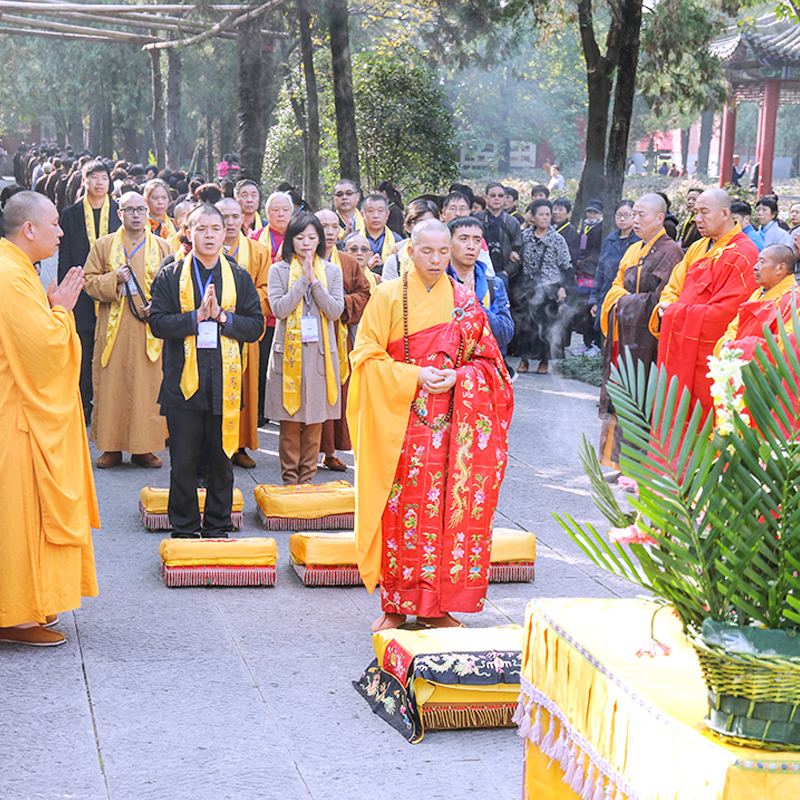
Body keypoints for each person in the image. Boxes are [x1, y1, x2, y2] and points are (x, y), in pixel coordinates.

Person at [347, 219, 514, 632]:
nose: (436, 260)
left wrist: (460, 377)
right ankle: (396, 604)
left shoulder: (465, 301)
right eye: (428, 251)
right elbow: (364, 356)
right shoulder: (387, 296)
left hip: (451, 431)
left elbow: (491, 365)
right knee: (400, 513)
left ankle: (436, 608)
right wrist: (413, 377)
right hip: (402, 425)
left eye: (443, 252)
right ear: (410, 251)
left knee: (444, 518)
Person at [0, 191, 99, 646]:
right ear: (30, 230)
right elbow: (42, 353)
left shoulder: (18, 271)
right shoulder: (9, 275)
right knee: (18, 516)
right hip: (17, 419)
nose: (62, 231)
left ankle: (27, 606)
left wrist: (52, 306)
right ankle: (15, 616)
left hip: (20, 412)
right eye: (56, 223)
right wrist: (61, 311)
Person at [148, 204, 264, 538]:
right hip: (182, 385)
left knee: (221, 462)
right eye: (202, 228)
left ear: (226, 231)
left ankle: (217, 526)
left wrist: (225, 318)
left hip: (224, 384)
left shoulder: (238, 275)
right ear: (188, 231)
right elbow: (156, 323)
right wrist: (195, 318)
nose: (210, 235)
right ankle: (183, 529)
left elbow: (256, 326)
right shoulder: (171, 274)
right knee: (183, 463)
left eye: (216, 228)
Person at [650, 188, 759, 419]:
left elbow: (731, 311)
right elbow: (675, 283)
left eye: (704, 212)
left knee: (702, 414)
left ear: (725, 214)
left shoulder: (744, 254)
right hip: (681, 339)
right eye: (696, 212)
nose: (697, 218)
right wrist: (666, 304)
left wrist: (676, 312)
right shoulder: (699, 246)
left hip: (710, 352)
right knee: (674, 408)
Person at [83, 191, 172, 469]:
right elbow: (88, 281)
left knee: (148, 388)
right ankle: (111, 447)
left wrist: (157, 305)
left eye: (140, 209)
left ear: (147, 213)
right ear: (119, 214)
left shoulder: (163, 246)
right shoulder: (103, 244)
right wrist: (114, 279)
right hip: (115, 328)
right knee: (113, 385)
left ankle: (144, 448)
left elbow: (174, 286)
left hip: (149, 329)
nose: (135, 214)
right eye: (129, 210)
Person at [598, 194, 683, 467]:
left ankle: (635, 466)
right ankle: (615, 461)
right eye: (633, 214)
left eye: (641, 215)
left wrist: (620, 301)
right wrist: (617, 298)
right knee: (621, 394)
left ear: (660, 218)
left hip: (647, 340)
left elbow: (659, 300)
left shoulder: (670, 253)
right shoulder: (636, 249)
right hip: (623, 335)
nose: (635, 220)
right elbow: (616, 284)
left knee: (639, 398)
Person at [265, 212, 345, 485]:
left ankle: (307, 480)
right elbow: (279, 309)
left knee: (314, 422)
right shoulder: (279, 270)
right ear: (291, 241)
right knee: (289, 423)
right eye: (300, 237)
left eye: (312, 237)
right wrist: (301, 280)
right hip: (288, 355)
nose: (306, 243)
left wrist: (316, 282)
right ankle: (289, 480)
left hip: (320, 357)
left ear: (320, 240)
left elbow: (335, 311)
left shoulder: (332, 270)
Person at [58, 159, 121, 423]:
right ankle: (83, 402)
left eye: (103, 178)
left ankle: (109, 404)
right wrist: (65, 292)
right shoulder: (71, 214)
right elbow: (65, 257)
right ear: (84, 181)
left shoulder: (119, 212)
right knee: (83, 348)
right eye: (93, 178)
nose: (99, 183)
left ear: (109, 182)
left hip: (113, 291)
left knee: (111, 349)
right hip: (82, 292)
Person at [216, 197, 271, 469]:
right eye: (223, 217)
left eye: (234, 217)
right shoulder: (205, 248)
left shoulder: (258, 251)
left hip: (244, 329)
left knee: (245, 388)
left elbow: (266, 289)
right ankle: (213, 445)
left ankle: (239, 445)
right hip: (212, 329)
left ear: (243, 220)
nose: (229, 222)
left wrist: (240, 304)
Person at [316, 210, 371, 472]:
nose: (328, 231)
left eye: (333, 226)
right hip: (305, 335)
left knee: (336, 391)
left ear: (340, 230)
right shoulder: (298, 258)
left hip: (338, 335)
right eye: (322, 225)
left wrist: (338, 303)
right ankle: (304, 450)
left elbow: (364, 293)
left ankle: (330, 450)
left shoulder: (347, 261)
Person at [514, 200, 573, 374]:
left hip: (550, 287)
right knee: (526, 325)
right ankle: (524, 360)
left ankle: (544, 361)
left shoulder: (557, 239)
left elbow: (566, 266)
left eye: (548, 214)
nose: (545, 218)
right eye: (541, 214)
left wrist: (563, 288)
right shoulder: (524, 236)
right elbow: (517, 256)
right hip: (528, 287)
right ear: (533, 216)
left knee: (546, 326)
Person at [714, 244, 798, 360]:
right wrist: (727, 343)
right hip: (738, 361)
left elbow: (787, 344)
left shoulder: (793, 301)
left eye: (762, 262)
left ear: (780, 269)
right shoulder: (758, 293)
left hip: (764, 372)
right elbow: (734, 327)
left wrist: (739, 348)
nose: (755, 267)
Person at [252, 191, 294, 424]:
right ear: (267, 214)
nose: (280, 214)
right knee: (264, 364)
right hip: (266, 312)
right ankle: (262, 410)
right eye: (275, 210)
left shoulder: (300, 236)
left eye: (285, 210)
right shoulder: (256, 237)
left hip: (293, 310)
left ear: (292, 212)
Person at [447, 216, 514, 352]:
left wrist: (474, 304)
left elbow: (505, 334)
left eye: (477, 240)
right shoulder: (438, 281)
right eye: (463, 239)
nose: (471, 246)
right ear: (449, 244)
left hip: (481, 364)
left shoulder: (494, 284)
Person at [589, 200, 640, 326]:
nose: (622, 219)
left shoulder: (640, 241)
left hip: (629, 297)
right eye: (619, 215)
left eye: (627, 215)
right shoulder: (610, 240)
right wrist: (594, 300)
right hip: (607, 294)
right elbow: (600, 271)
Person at [472, 183, 522, 284]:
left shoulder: (512, 222)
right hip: (477, 271)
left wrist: (506, 272)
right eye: (493, 195)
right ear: (486, 198)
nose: (497, 199)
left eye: (500, 196)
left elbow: (519, 251)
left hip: (502, 273)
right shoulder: (475, 219)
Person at [573, 199, 604, 354]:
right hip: (582, 274)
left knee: (592, 309)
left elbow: (597, 252)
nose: (591, 215)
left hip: (592, 274)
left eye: (595, 212)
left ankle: (596, 344)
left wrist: (583, 262)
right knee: (583, 311)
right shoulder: (586, 226)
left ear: (601, 214)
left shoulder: (601, 228)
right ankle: (586, 342)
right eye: (589, 212)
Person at [382, 198, 440, 280]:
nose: (427, 229)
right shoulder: (394, 262)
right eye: (420, 223)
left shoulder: (446, 258)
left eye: (431, 223)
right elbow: (388, 291)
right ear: (407, 227)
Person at [362, 193, 403, 275]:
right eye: (371, 211)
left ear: (387, 214)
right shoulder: (353, 240)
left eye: (380, 211)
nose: (376, 216)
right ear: (363, 215)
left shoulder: (398, 241)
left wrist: (385, 266)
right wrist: (365, 265)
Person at [552, 197, 580, 268]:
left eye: (561, 210)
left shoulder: (571, 231)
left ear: (568, 213)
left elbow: (572, 256)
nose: (556, 212)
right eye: (555, 209)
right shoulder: (550, 227)